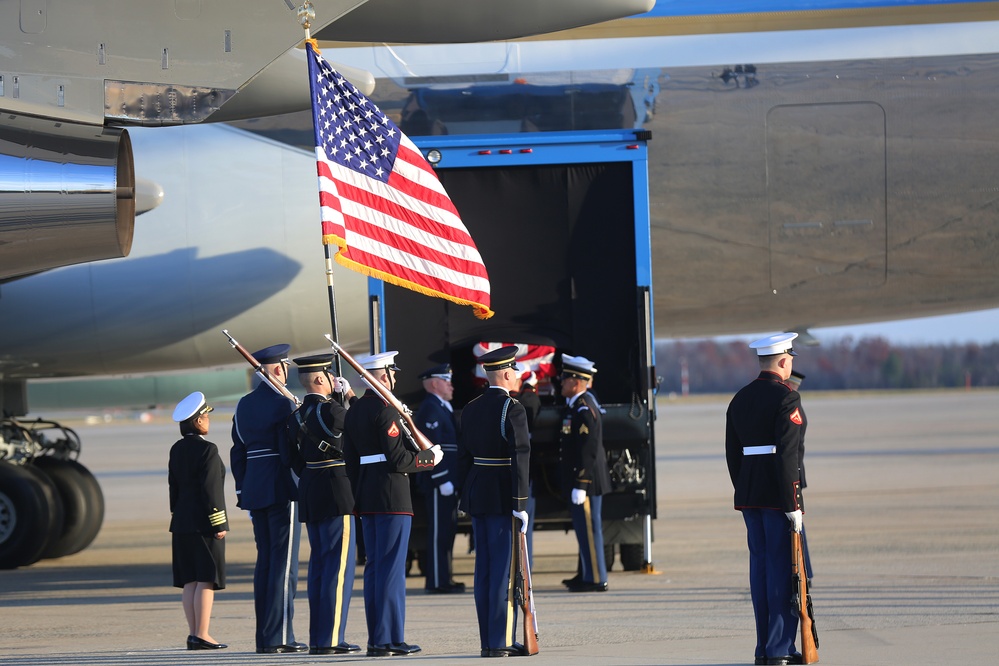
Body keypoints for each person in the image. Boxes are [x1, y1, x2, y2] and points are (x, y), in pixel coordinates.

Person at [342, 350, 443, 657]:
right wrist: (428, 459)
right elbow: (398, 459)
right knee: (391, 572)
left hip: (367, 496)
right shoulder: (386, 412)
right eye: (392, 373)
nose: (395, 378)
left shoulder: (355, 411)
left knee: (375, 570)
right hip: (392, 497)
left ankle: (379, 637)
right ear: (383, 375)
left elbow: (350, 461)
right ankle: (388, 640)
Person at [725, 332, 805, 666]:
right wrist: (793, 503)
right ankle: (779, 649)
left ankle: (763, 647)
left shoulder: (740, 398)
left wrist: (744, 486)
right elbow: (788, 455)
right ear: (784, 361)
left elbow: (733, 454)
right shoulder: (786, 397)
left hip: (749, 495)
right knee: (782, 571)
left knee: (760, 569)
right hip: (778, 497)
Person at [279, 354, 361, 656]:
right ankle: (331, 639)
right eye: (329, 376)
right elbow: (361, 428)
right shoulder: (333, 411)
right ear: (320, 380)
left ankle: (318, 637)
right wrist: (348, 397)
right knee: (338, 570)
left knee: (318, 568)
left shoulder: (295, 416)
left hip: (311, 490)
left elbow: (291, 459)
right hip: (338, 490)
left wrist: (312, 473)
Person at [230, 343, 307, 654]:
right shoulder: (285, 404)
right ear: (278, 370)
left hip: (254, 489)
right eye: (285, 367)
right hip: (281, 487)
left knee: (265, 564)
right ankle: (279, 637)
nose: (287, 372)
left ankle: (266, 636)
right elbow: (294, 447)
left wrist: (242, 490)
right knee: (283, 566)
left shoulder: (243, 405)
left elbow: (238, 452)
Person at [456, 345, 532, 657]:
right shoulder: (512, 409)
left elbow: (463, 458)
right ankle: (500, 641)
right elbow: (520, 455)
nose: (518, 376)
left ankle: (489, 639)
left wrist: (465, 494)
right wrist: (521, 502)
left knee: (484, 570)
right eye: (515, 371)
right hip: (503, 495)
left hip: (478, 492)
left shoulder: (471, 407)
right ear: (505, 373)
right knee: (504, 569)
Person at [168, 391, 228, 650]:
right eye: (205, 416)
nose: (208, 420)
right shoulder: (207, 450)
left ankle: (194, 633)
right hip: (204, 522)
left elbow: (173, 487)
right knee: (205, 578)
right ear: (198, 422)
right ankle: (203, 633)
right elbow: (211, 489)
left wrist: (177, 513)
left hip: (181, 521)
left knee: (190, 580)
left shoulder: (177, 449)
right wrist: (219, 523)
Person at [558, 353, 612, 593]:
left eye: (564, 379)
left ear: (576, 382)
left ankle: (596, 578)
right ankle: (586, 573)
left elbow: (589, 449)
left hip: (587, 480)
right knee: (583, 529)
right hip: (582, 479)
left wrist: (581, 483)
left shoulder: (584, 408)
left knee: (590, 530)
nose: (561, 382)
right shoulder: (576, 405)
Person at [413, 362, 464, 594]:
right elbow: (428, 449)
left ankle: (445, 578)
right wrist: (442, 478)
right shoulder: (430, 409)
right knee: (438, 534)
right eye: (447, 381)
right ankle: (436, 581)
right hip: (438, 483)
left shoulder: (442, 407)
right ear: (435, 383)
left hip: (448, 482)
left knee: (447, 531)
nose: (451, 385)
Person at [785, 369, 812, 581]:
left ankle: (804, 572)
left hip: (792, 475)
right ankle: (805, 572)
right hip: (795, 473)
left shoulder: (793, 404)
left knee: (796, 529)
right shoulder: (795, 404)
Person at [511, 370, 541, 563]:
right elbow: (527, 408)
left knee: (522, 528)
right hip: (515, 475)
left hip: (519, 474)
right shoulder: (513, 403)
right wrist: (529, 390)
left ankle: (521, 571)